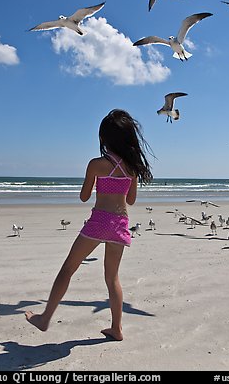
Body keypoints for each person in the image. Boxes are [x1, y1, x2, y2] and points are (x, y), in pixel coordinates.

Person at [25, 109, 153, 340]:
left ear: (104, 138)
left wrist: (97, 184)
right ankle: (117, 328)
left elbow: (84, 196)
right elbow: (131, 200)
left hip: (99, 221)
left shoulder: (96, 164)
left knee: (68, 269)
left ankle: (44, 318)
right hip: (120, 223)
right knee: (112, 278)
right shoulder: (132, 169)